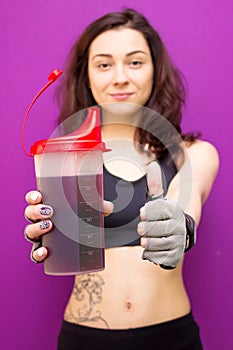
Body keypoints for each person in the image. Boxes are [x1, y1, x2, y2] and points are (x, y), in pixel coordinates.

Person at [24, 8, 219, 350]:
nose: (119, 77)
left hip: (172, 337)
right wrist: (45, 229)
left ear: (155, 71)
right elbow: (53, 239)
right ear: (86, 76)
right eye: (103, 64)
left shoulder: (193, 153)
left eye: (135, 62)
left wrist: (177, 227)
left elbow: (186, 209)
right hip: (85, 338)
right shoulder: (65, 160)